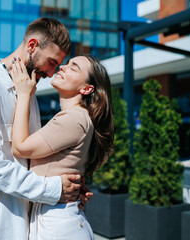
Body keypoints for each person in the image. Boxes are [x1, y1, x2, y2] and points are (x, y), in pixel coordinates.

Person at [0, 18, 90, 240]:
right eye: (52, 62)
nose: (51, 72)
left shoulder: (28, 93)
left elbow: (33, 160)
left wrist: (71, 188)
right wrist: (54, 190)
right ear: (32, 46)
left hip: (24, 226)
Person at [11, 55, 114, 239]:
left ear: (87, 88)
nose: (63, 67)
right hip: (57, 217)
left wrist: (24, 93)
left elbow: (19, 147)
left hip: (57, 223)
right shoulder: (78, 117)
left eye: (74, 68)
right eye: (67, 63)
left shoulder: (74, 118)